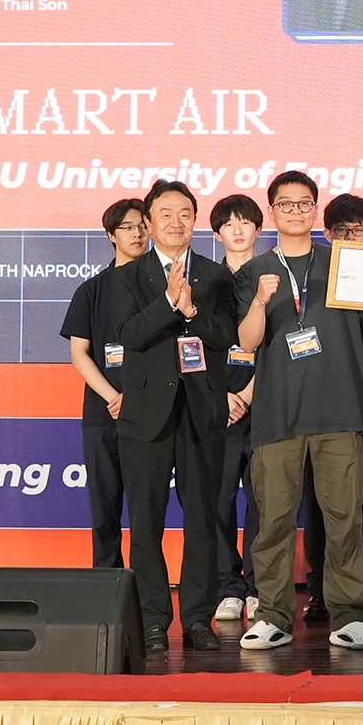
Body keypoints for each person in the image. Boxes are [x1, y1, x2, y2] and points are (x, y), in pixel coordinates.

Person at [234, 172, 363, 651]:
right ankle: (273, 615)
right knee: (274, 522)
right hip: (277, 414)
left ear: (315, 210)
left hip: (339, 410)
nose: (296, 211)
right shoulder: (254, 271)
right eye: (286, 204)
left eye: (304, 204)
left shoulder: (344, 260)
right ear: (272, 211)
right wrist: (260, 301)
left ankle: (349, 615)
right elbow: (247, 341)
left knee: (345, 519)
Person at [113, 181, 240, 654]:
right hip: (145, 415)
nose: (175, 222)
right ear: (149, 221)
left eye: (185, 213)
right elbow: (128, 334)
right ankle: (151, 620)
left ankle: (198, 619)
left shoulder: (216, 275)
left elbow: (226, 333)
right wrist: (168, 305)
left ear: (195, 220)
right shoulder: (127, 276)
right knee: (146, 522)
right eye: (165, 213)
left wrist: (192, 311)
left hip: (201, 412)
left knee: (203, 519)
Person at [301, 193, 363, 623]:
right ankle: (320, 591)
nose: (349, 236)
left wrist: (356, 377)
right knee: (319, 504)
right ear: (327, 233)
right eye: (340, 229)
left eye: (358, 229)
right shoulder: (312, 273)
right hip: (318, 407)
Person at [58, 198, 149, 571]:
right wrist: (115, 397)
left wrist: (139, 398)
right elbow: (79, 353)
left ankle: (146, 586)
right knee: (105, 508)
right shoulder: (92, 291)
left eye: (143, 225)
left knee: (147, 512)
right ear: (112, 234)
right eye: (127, 227)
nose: (137, 233)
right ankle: (107, 586)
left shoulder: (165, 286)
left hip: (151, 415)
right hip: (104, 414)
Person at [210, 194, 265, 624]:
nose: (237, 230)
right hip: (217, 407)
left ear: (258, 229)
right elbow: (193, 345)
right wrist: (222, 396)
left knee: (264, 501)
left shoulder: (272, 276)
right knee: (219, 500)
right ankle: (228, 587)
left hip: (264, 404)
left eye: (244, 222)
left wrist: (247, 393)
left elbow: (280, 343)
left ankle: (258, 587)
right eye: (228, 224)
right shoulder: (205, 281)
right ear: (217, 234)